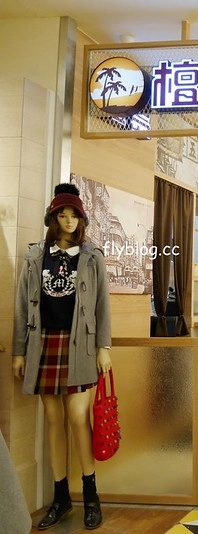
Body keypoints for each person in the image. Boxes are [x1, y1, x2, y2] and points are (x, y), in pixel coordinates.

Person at [12, 183, 112, 530]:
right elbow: (22, 306)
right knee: (54, 420)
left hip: (79, 346)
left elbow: (102, 305)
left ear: (81, 219)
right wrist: (19, 351)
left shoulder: (92, 256)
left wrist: (103, 347)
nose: (69, 220)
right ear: (52, 218)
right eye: (62, 214)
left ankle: (91, 496)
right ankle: (60, 498)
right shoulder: (36, 256)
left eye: (74, 215)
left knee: (78, 418)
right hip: (43, 345)